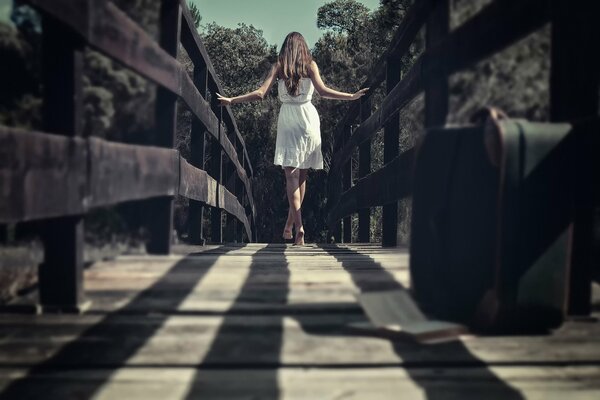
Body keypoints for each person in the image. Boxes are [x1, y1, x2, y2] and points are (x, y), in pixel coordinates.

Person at [217, 32, 368, 245]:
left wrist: (232, 100)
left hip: (288, 120)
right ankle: (292, 226)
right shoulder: (311, 65)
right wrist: (350, 96)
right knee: (302, 176)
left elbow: (260, 93)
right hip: (308, 120)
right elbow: (324, 92)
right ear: (303, 47)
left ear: (286, 47)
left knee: (292, 178)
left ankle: (299, 227)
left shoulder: (279, 67)